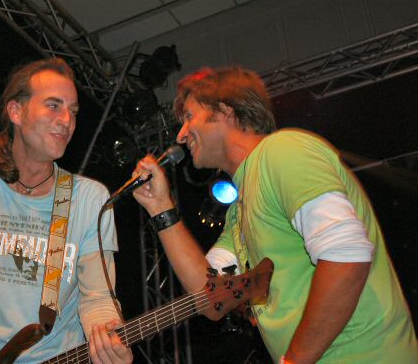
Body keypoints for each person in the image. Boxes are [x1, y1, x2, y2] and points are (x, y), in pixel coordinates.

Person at [132, 66, 418, 363]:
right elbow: (209, 299)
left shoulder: (283, 151)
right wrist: (160, 207)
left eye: (190, 117)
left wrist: (294, 360)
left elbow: (346, 258)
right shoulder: (239, 211)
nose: (180, 135)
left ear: (225, 110)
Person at [0, 58, 133, 364]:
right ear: (16, 111)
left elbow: (97, 298)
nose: (67, 120)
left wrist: (109, 337)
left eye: (73, 111)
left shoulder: (89, 199)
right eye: (54, 106)